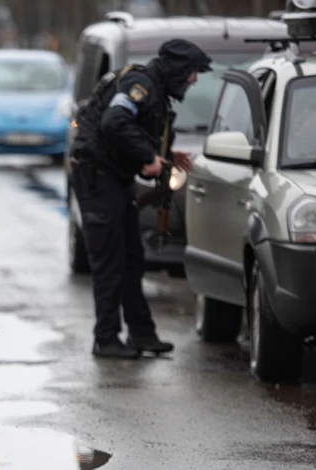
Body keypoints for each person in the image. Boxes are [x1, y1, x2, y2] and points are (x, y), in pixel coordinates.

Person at [70, 39, 212, 359]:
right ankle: (106, 339)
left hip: (113, 180)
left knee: (132, 260)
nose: (193, 80)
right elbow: (114, 121)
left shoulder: (154, 89)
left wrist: (164, 153)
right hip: (98, 179)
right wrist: (148, 155)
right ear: (177, 69)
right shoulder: (141, 84)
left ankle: (141, 333)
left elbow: (130, 128)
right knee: (110, 263)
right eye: (191, 73)